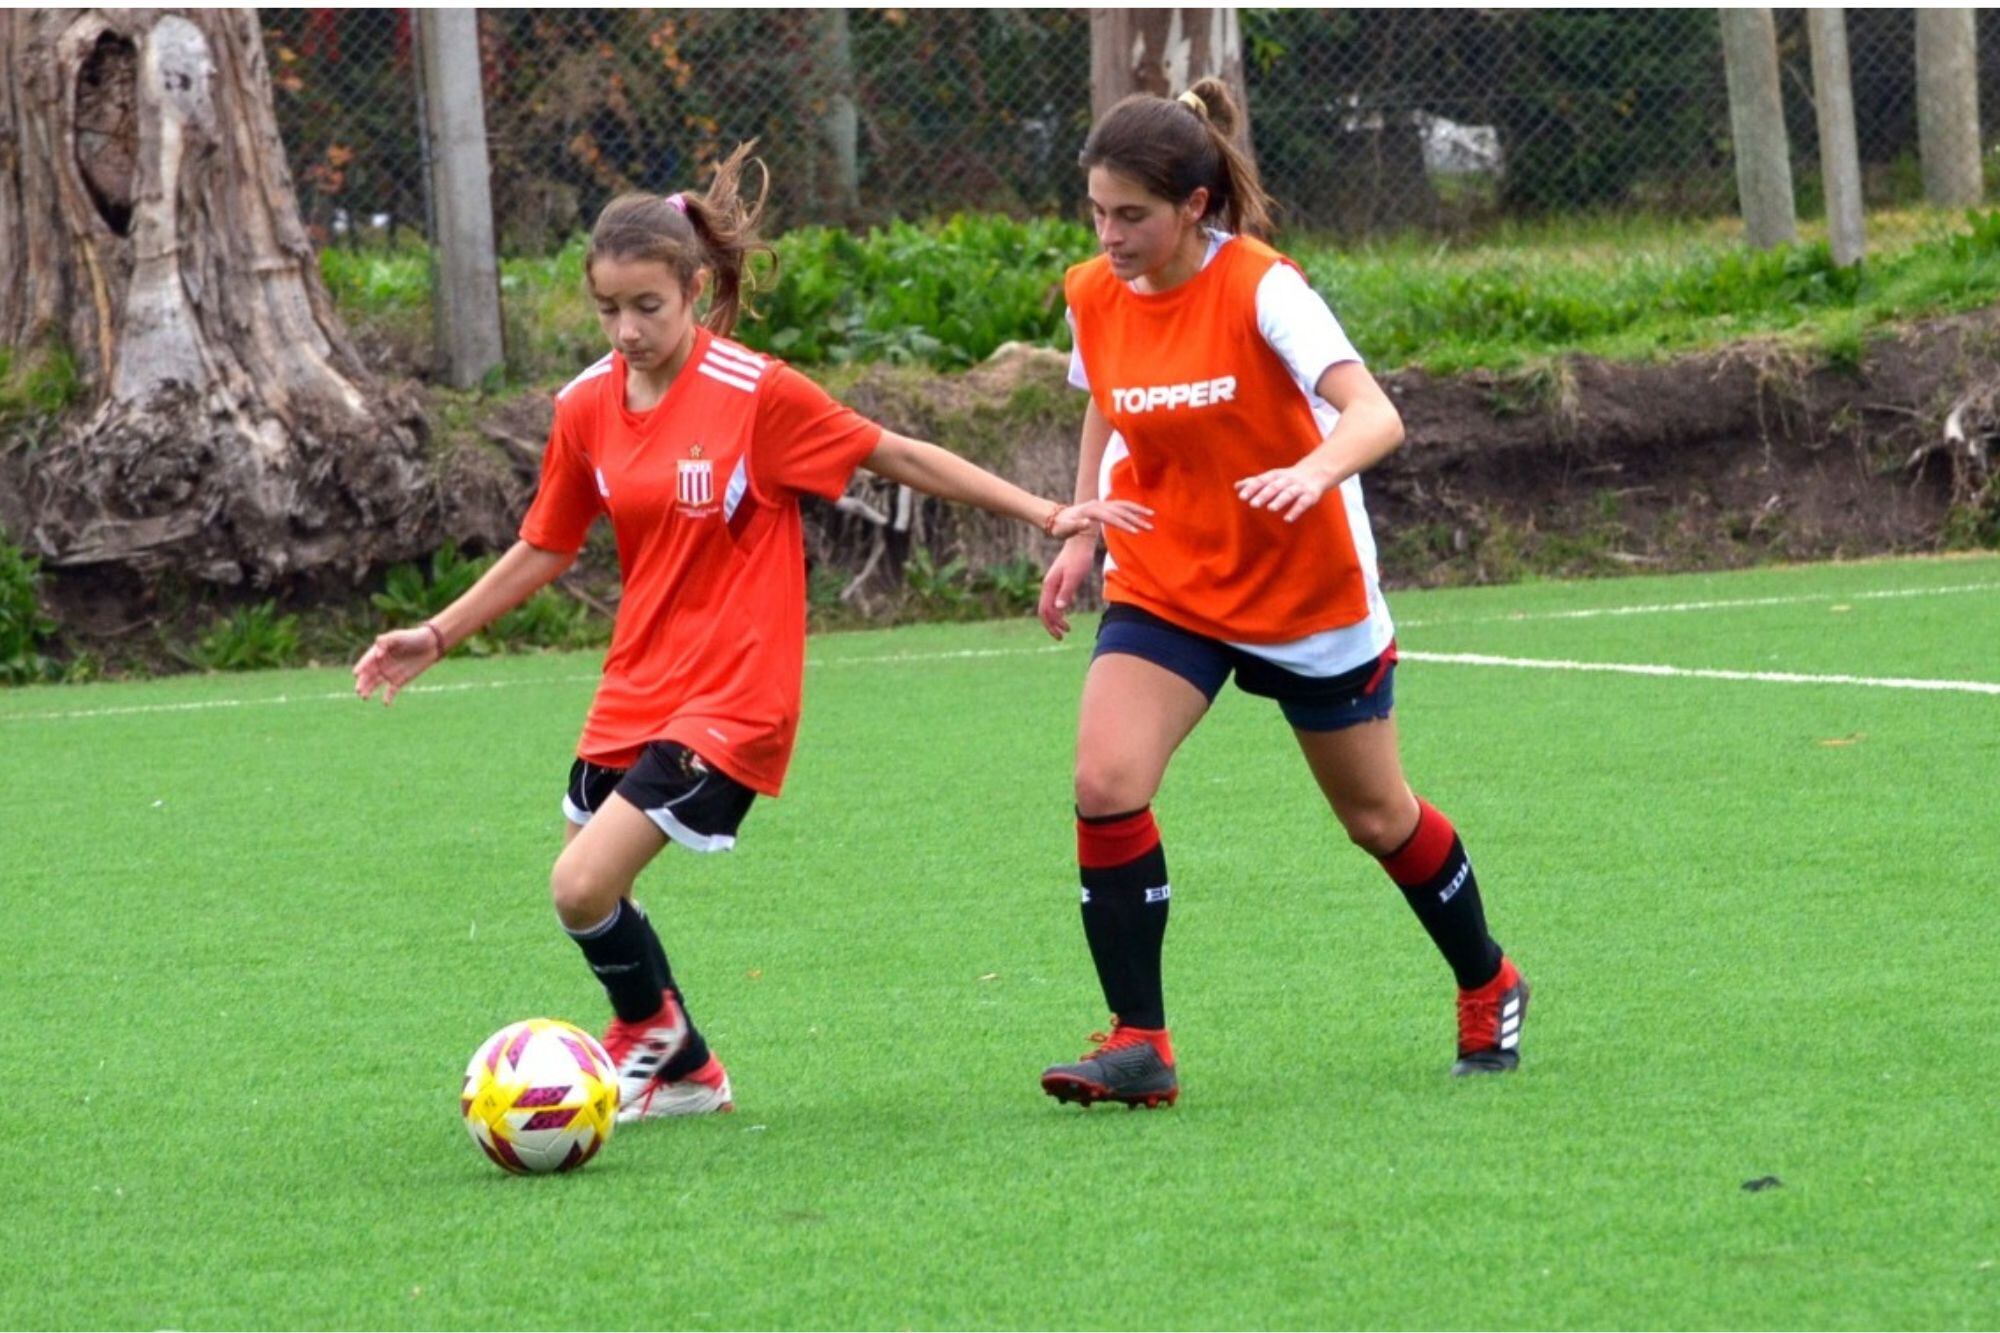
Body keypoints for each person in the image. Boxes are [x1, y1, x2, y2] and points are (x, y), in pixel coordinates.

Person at [353, 144, 1145, 1121]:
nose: (627, 329)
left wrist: (1042, 511)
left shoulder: (753, 393)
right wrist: (436, 632)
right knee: (596, 896)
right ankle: (685, 1067)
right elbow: (544, 545)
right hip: (636, 682)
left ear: (693, 289)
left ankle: (645, 1037)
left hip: (734, 691)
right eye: (607, 310)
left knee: (576, 885)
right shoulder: (584, 406)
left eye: (647, 306)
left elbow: (892, 452)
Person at [1035, 81, 1528, 1110]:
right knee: (1104, 778)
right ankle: (1139, 1043)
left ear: (1196, 206)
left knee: (1374, 814)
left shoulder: (1262, 287)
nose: (1111, 235)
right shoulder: (1091, 290)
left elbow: (1372, 414)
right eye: (1097, 212)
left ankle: (1487, 979)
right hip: (1166, 575)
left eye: (1132, 215)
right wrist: (1082, 525)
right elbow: (1101, 406)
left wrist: (1313, 472)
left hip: (1304, 586)